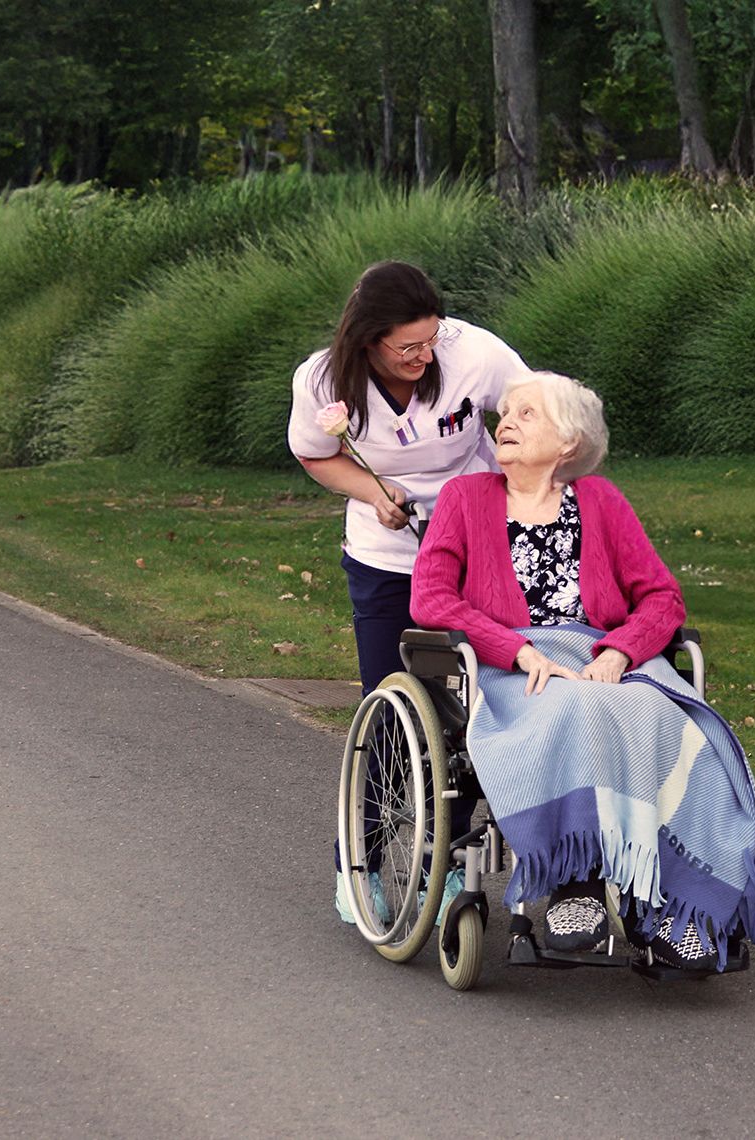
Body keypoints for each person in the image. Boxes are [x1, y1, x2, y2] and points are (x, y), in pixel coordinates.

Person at [411, 371, 755, 970]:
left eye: (527, 414)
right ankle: (576, 884)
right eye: (505, 413)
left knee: (666, 719)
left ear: (568, 441)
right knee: (574, 708)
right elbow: (431, 598)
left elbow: (661, 598)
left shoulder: (602, 501)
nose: (505, 423)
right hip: (514, 667)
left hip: (601, 660)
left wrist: (619, 652)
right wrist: (515, 650)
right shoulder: (465, 497)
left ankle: (670, 911)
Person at [287, 260, 526, 924]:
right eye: (407, 347)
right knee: (393, 713)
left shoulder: (473, 354)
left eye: (430, 339)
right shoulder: (322, 381)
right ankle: (359, 864)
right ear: (368, 341)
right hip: (387, 557)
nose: (424, 356)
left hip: (477, 550)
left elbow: (535, 411)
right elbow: (314, 453)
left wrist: (520, 470)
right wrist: (372, 491)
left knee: (471, 715)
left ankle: (441, 866)